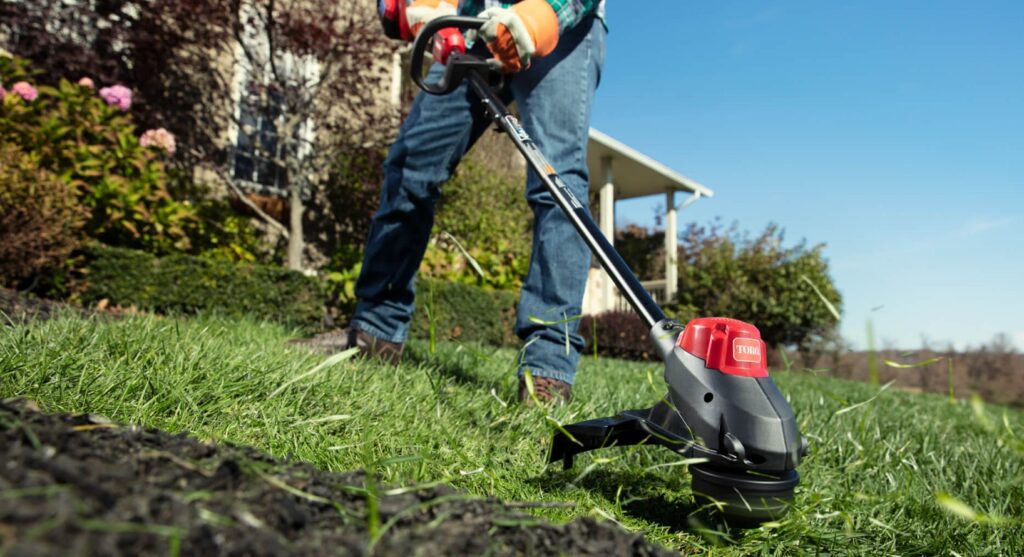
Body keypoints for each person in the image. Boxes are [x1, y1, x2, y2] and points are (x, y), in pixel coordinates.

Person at [297, 0, 606, 403]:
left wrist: (545, 13)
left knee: (556, 182)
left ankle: (547, 371)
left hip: (562, 29)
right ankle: (376, 331)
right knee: (412, 164)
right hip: (473, 26)